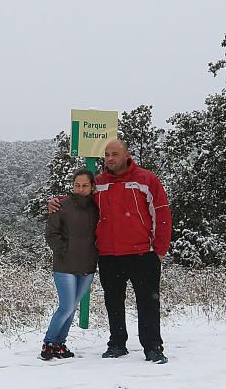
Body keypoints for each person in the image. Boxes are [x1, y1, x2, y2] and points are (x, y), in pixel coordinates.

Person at [50, 139, 172, 363]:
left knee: (147, 302)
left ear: (127, 155)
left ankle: (153, 347)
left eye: (115, 154)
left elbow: (162, 214)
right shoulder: (99, 183)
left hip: (142, 253)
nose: (110, 158)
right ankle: (117, 343)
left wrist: (160, 250)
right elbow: (79, 200)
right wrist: (56, 202)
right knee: (113, 302)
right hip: (109, 255)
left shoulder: (146, 179)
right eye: (106, 154)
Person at [41, 169, 98, 360]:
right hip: (65, 266)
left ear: (92, 187)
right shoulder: (61, 206)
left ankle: (60, 344)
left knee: (72, 307)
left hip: (87, 266)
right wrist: (64, 250)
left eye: (84, 186)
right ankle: (49, 343)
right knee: (66, 307)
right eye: (76, 185)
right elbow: (51, 234)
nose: (80, 189)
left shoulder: (97, 207)